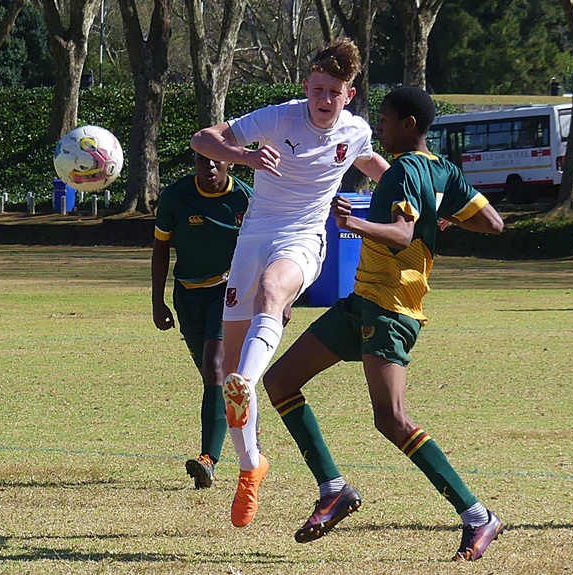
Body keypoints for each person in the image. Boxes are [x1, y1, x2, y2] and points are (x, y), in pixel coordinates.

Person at [261, 86, 505, 561]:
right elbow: (493, 223)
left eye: (387, 120)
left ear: (409, 125)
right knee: (280, 381)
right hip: (362, 304)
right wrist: (445, 217)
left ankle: (478, 516)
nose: (380, 129)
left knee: (391, 419)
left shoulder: (400, 175)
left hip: (390, 311)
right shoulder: (443, 171)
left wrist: (355, 222)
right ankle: (334, 489)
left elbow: (400, 236)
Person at [190, 37, 390, 528]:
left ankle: (247, 381)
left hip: (303, 240)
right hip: (253, 238)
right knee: (231, 359)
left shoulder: (356, 131)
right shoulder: (279, 117)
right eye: (318, 89)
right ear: (306, 86)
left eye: (335, 92)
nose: (325, 100)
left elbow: (379, 169)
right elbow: (203, 139)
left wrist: (423, 204)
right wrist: (246, 157)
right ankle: (250, 465)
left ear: (350, 92)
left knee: (272, 295)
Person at [151, 151, 253, 489]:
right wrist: (157, 301)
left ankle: (208, 459)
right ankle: (245, 440)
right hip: (187, 296)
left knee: (216, 365)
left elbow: (264, 247)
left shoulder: (246, 199)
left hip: (228, 293)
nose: (209, 167)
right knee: (217, 381)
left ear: (231, 162)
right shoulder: (175, 197)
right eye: (201, 161)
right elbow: (161, 247)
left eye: (216, 160)